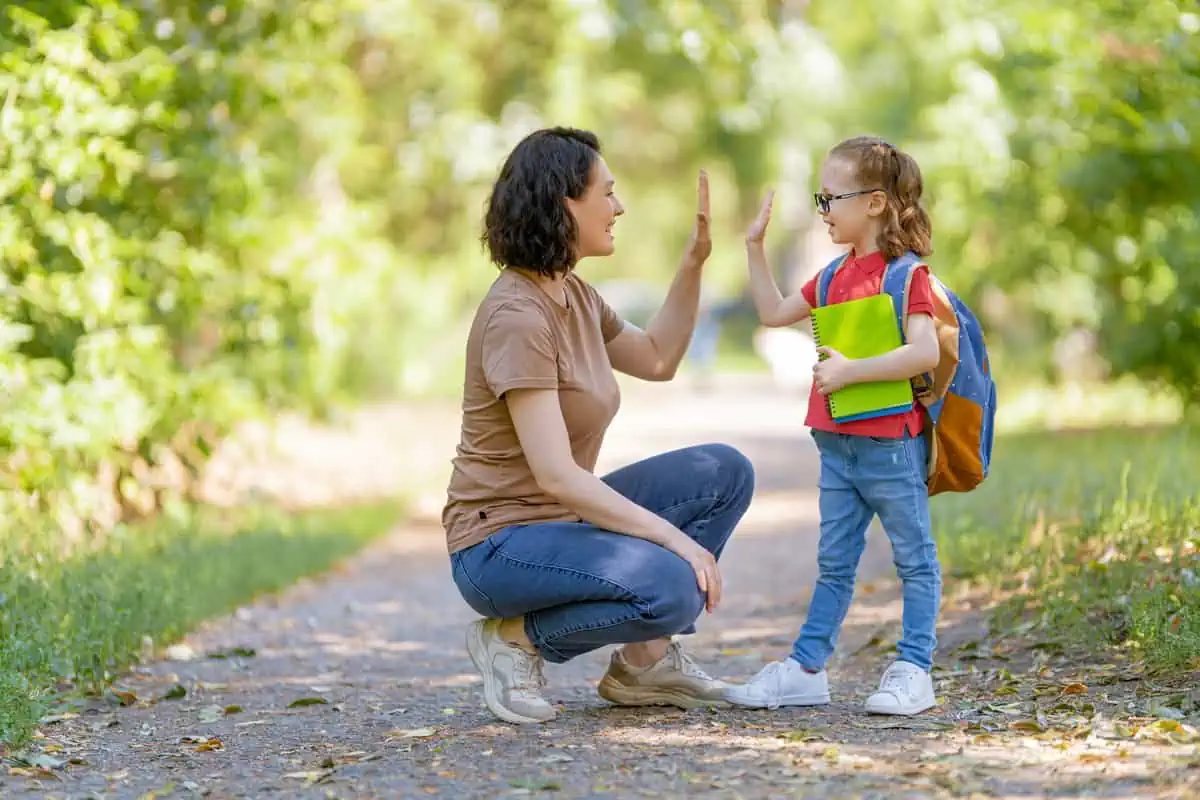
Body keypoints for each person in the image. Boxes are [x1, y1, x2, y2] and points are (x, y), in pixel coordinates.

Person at [443, 127, 755, 725]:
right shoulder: (517, 314)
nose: (618, 207)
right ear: (564, 201)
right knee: (671, 585)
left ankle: (645, 662)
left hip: (559, 524)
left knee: (723, 472)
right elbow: (558, 475)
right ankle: (514, 640)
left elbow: (658, 358)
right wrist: (673, 539)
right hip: (498, 546)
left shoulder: (575, 295)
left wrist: (694, 264)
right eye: (606, 194)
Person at [725, 135, 942, 716]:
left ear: (873, 203)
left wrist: (851, 372)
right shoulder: (829, 277)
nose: (823, 211)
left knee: (915, 559)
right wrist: (753, 247)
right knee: (834, 564)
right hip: (837, 446)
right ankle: (805, 669)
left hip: (890, 446)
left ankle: (913, 670)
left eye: (830, 199)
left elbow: (923, 353)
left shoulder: (905, 277)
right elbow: (773, 313)